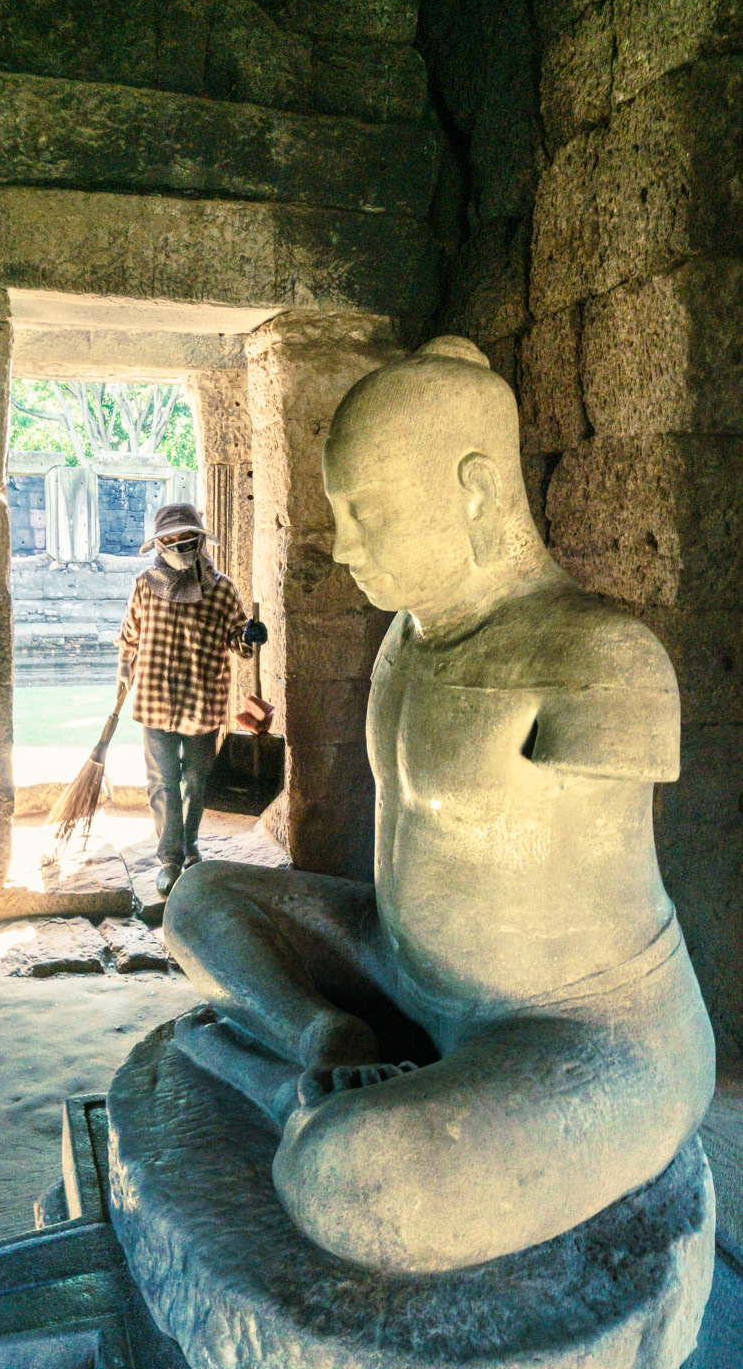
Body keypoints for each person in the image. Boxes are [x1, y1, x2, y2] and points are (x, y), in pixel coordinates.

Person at [163, 338, 714, 1273]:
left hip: (579, 1025)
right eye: (340, 516)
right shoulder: (405, 638)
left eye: (366, 513)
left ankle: (269, 1082)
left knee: (361, 1188)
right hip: (397, 961)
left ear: (473, 488)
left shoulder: (602, 659)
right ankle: (320, 1037)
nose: (343, 549)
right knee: (200, 902)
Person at [116, 503, 267, 900]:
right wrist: (122, 672)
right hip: (154, 702)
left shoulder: (221, 588)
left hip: (204, 703)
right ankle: (169, 858)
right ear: (158, 545)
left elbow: (237, 639)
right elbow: (129, 636)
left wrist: (249, 636)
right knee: (163, 783)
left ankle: (191, 847)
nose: (180, 545)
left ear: (200, 540)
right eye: (171, 540)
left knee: (196, 781)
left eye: (187, 538)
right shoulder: (145, 586)